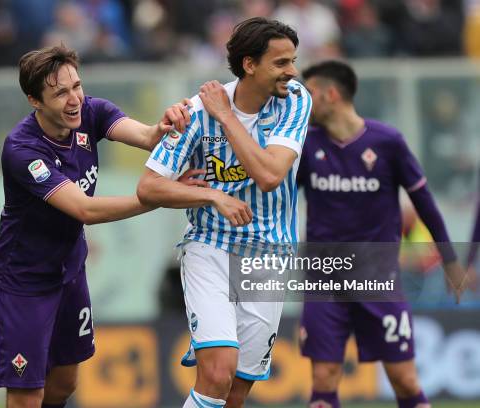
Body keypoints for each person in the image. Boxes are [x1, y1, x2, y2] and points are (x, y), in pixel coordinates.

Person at [0, 44, 201, 408]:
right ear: (34, 100)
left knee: (65, 382)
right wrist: (159, 197)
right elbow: (84, 209)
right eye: (60, 93)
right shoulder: (22, 150)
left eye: (76, 86)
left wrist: (167, 124)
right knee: (27, 394)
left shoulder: (92, 112)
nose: (74, 100)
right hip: (24, 282)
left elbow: (147, 137)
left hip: (69, 271)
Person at [137, 17, 311, 408]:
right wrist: (211, 197)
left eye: (293, 61)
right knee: (217, 372)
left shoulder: (296, 99)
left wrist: (227, 117)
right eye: (281, 63)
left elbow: (269, 175)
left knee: (235, 392)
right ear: (250, 64)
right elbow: (148, 186)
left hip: (270, 255)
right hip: (210, 249)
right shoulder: (196, 112)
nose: (292, 72)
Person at [297, 60, 469, 408]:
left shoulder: (387, 142)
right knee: (323, 378)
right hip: (323, 278)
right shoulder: (304, 144)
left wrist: (450, 260)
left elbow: (425, 203)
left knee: (404, 379)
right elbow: (278, 197)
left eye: (309, 93)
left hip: (378, 278)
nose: (302, 101)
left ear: (332, 94)